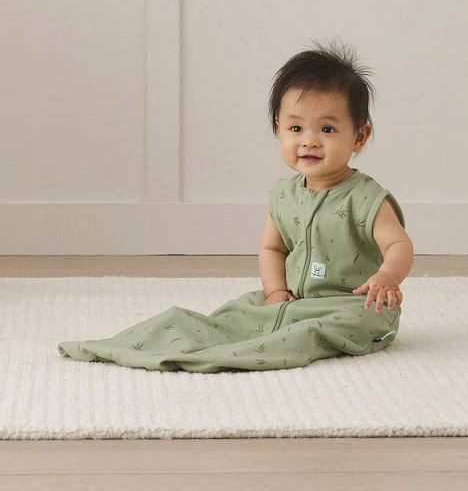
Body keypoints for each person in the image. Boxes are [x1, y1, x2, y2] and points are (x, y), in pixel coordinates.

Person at [58, 40, 414, 373]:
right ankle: (150, 343)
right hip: (292, 300)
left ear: (359, 136)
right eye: (295, 128)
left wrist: (388, 275)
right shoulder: (282, 195)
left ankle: (249, 351)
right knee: (235, 313)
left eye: (327, 130)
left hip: (352, 305)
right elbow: (272, 248)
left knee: (332, 325)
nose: (309, 141)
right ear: (278, 129)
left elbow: (398, 243)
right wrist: (276, 291)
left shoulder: (366, 197)